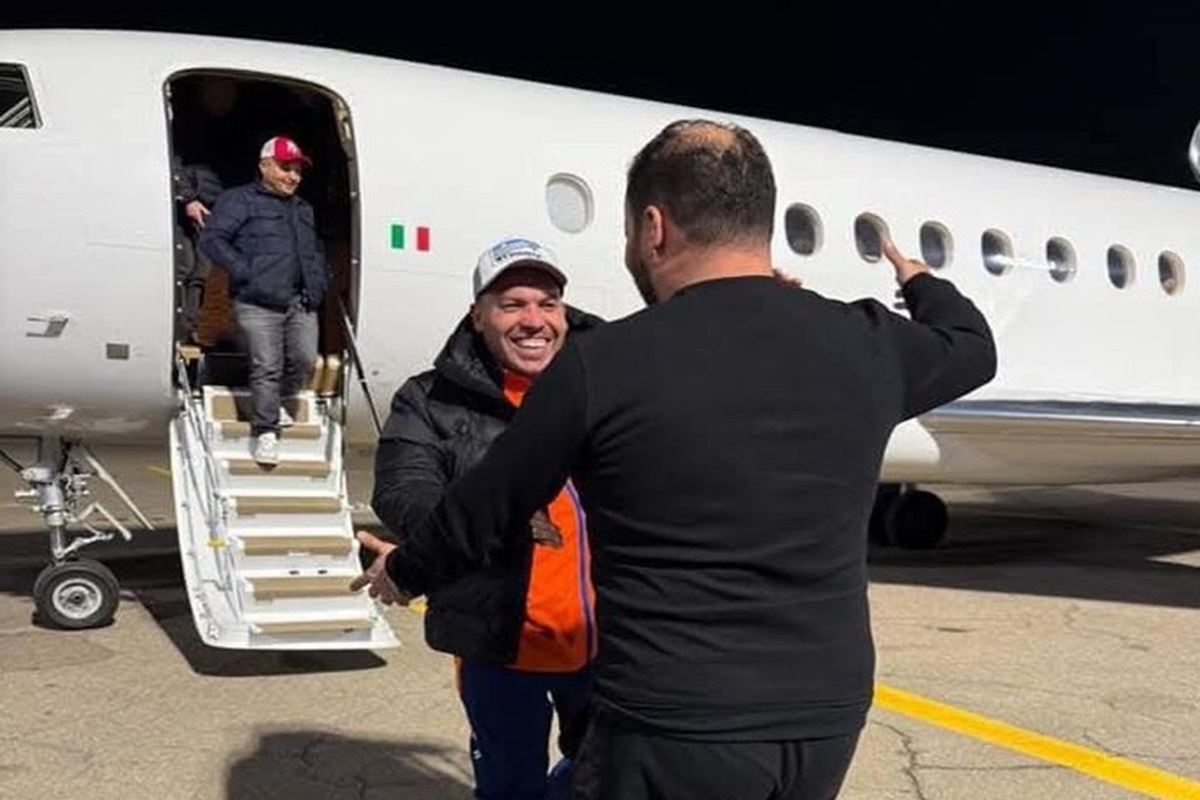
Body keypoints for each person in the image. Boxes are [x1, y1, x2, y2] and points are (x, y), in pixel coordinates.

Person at [354, 119, 997, 799]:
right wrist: (918, 279)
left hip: (672, 721)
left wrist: (404, 570)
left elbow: (486, 506)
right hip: (826, 720)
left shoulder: (603, 365)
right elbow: (971, 346)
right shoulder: (865, 343)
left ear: (653, 228)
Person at [364, 236, 604, 800]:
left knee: (608, 773)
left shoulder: (603, 384)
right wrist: (492, 525)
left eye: (547, 304)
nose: (533, 320)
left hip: (606, 641)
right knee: (509, 785)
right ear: (477, 316)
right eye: (512, 304)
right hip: (498, 643)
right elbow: (402, 491)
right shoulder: (429, 399)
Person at [199, 135, 329, 466]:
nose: (293, 176)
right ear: (264, 166)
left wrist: (318, 282)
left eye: (298, 170)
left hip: (300, 300)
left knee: (304, 359)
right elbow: (213, 239)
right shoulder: (239, 200)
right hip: (257, 300)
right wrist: (245, 271)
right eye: (286, 168)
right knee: (266, 365)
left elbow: (313, 251)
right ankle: (266, 430)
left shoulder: (303, 209)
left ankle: (282, 399)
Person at [172, 154, 224, 342]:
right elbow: (174, 162)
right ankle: (177, 327)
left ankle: (189, 328)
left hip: (214, 210)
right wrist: (188, 198)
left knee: (201, 275)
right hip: (185, 207)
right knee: (184, 268)